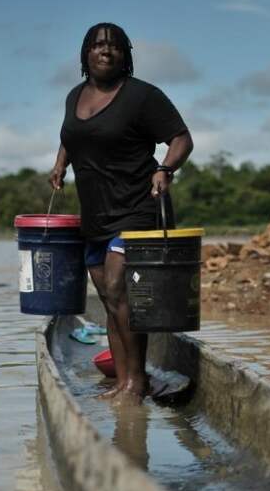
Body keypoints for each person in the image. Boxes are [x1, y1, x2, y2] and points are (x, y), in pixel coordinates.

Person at [49, 22, 193, 402]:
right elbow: (71, 136)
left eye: (114, 46)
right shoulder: (75, 96)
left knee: (118, 288)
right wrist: (60, 163)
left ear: (125, 55)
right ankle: (123, 380)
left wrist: (165, 168)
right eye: (97, 45)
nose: (105, 51)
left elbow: (181, 138)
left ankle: (137, 382)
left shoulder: (142, 96)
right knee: (110, 302)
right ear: (86, 53)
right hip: (95, 214)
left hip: (136, 207)